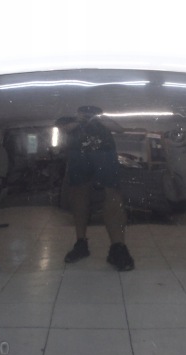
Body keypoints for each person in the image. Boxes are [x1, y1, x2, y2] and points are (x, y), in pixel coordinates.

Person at [57, 106, 134, 271]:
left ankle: (118, 247)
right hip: (78, 153)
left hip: (105, 153)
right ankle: (81, 243)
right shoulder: (70, 119)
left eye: (91, 112)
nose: (88, 115)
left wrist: (98, 119)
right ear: (78, 112)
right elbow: (63, 128)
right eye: (85, 112)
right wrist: (79, 121)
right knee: (79, 194)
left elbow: (119, 129)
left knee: (112, 192)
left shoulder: (102, 120)